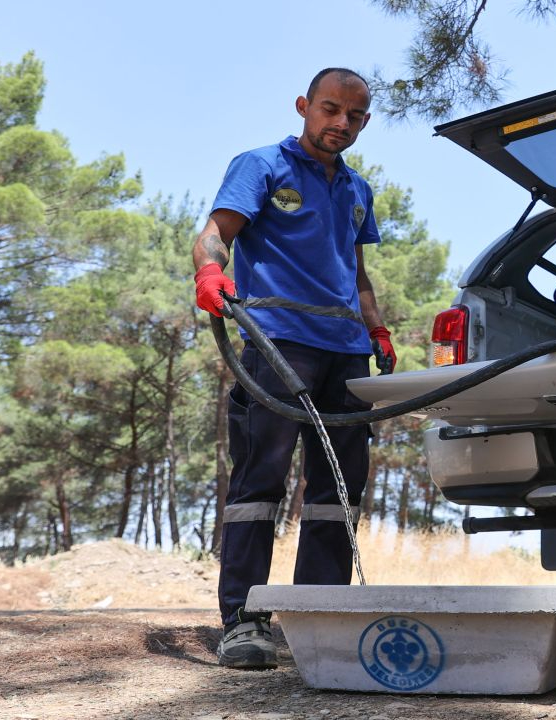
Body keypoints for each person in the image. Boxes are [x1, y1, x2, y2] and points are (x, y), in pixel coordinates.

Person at [191, 67, 396, 669]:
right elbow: (214, 234)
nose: (342, 124)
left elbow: (355, 274)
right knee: (261, 481)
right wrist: (208, 272)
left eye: (355, 116)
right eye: (331, 109)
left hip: (346, 350)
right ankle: (245, 621)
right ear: (305, 105)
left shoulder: (358, 189)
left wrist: (376, 327)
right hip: (277, 341)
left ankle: (319, 618)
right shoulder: (260, 166)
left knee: (339, 488)